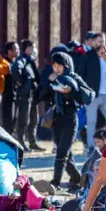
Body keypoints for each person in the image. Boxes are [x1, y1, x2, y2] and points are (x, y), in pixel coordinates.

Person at [38, 51, 94, 191]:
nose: (56, 69)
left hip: (70, 119)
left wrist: (70, 90)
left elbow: (87, 95)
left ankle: (55, 183)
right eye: (54, 66)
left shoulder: (73, 77)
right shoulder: (52, 77)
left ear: (66, 65)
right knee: (65, 154)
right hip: (56, 120)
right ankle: (77, 178)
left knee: (61, 153)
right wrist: (49, 82)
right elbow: (42, 95)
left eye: (59, 66)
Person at [76, 32, 106, 152]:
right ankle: (91, 148)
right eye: (99, 41)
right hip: (93, 96)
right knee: (91, 122)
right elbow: (80, 75)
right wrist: (83, 93)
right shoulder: (87, 56)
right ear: (93, 43)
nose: (102, 44)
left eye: (103, 41)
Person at [11, 40, 40, 151]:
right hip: (25, 95)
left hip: (32, 94)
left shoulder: (29, 60)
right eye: (31, 48)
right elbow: (15, 70)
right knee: (24, 119)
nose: (33, 50)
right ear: (26, 49)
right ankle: (21, 142)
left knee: (33, 119)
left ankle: (32, 142)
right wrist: (22, 84)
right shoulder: (22, 59)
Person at [0, 42, 21, 133]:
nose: (18, 51)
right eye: (16, 49)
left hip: (15, 95)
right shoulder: (4, 63)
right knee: (7, 120)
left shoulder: (15, 63)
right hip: (7, 96)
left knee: (14, 119)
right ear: (9, 51)